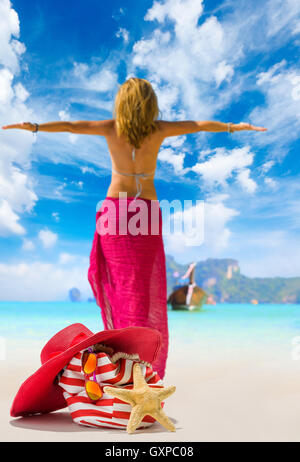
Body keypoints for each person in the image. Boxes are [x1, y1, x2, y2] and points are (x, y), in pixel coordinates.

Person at [2, 77, 267, 378]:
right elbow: (199, 124)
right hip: (147, 211)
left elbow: (71, 126)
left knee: (121, 286)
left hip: (116, 209)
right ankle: (140, 364)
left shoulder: (110, 127)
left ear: (121, 102)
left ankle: (120, 358)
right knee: (143, 289)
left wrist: (35, 127)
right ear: (150, 102)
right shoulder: (159, 129)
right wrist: (235, 127)